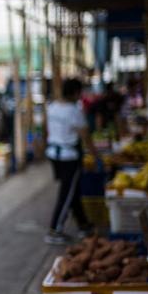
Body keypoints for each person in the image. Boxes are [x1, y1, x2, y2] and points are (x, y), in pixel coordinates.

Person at [44, 78, 98, 244]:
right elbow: (85, 135)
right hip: (69, 157)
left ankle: (84, 225)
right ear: (76, 93)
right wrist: (95, 155)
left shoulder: (52, 107)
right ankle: (54, 230)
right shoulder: (74, 111)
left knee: (72, 192)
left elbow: (48, 129)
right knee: (66, 194)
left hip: (54, 154)